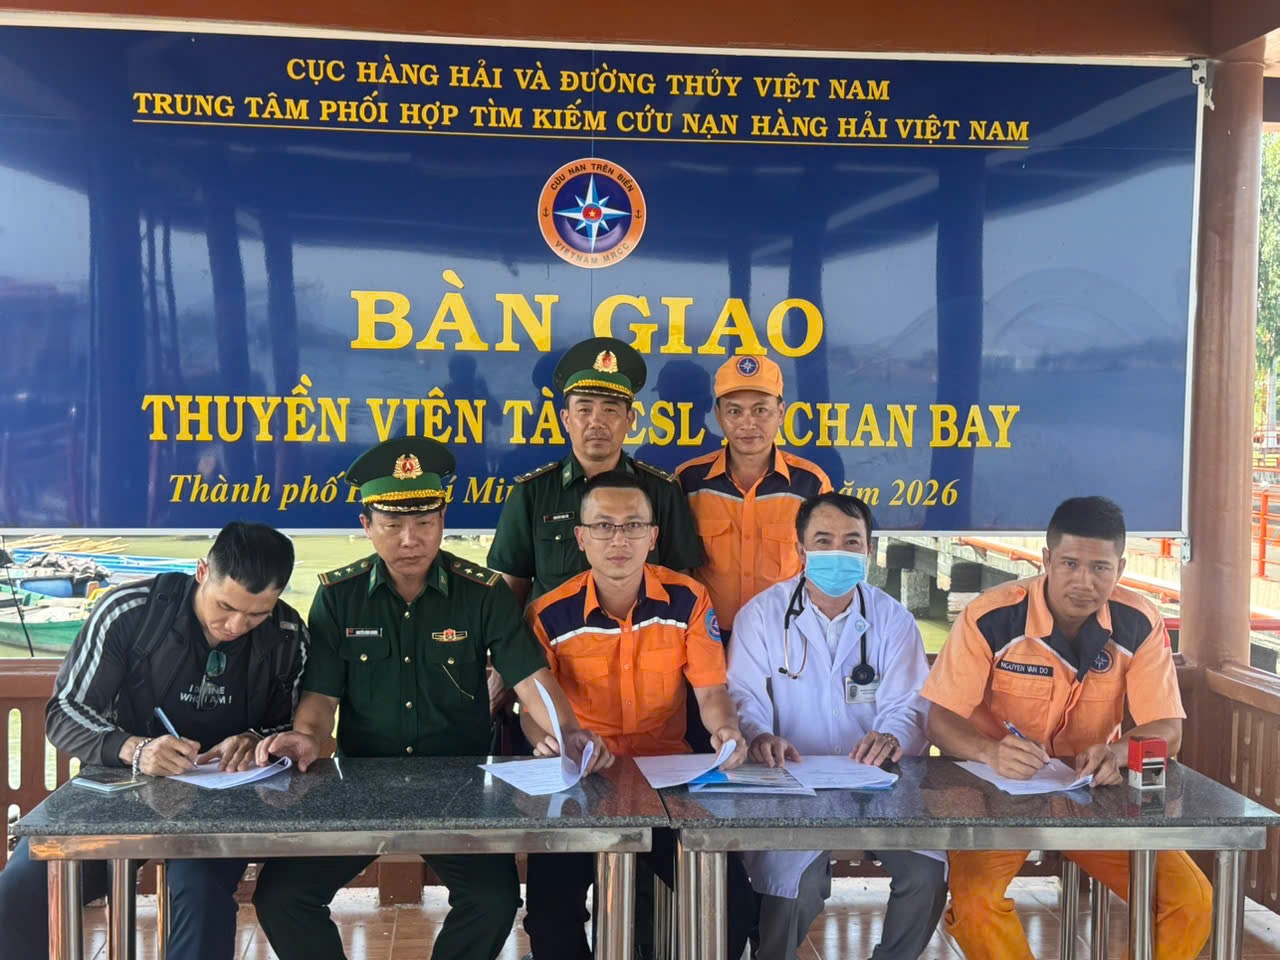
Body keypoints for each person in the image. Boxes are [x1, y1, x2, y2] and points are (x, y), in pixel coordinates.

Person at [251, 437, 609, 960]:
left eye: (424, 522)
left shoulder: (482, 593)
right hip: (362, 784)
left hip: (459, 786)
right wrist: (304, 738)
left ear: (443, 519)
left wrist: (568, 730)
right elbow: (321, 699)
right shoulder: (338, 596)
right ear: (366, 524)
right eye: (392, 524)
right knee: (281, 897)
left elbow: (529, 678)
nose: (410, 539)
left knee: (492, 900)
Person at [921, 496, 1212, 960]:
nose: (1084, 581)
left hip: (1095, 795)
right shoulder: (991, 616)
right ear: (1046, 559)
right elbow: (940, 720)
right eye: (1070, 564)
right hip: (993, 795)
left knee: (1190, 901)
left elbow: (1167, 729)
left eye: (1100, 568)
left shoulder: (1139, 622)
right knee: (975, 904)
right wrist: (990, 752)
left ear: (1120, 568)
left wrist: (1116, 753)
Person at [0, 522, 307, 960]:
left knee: (200, 895)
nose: (236, 625)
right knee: (21, 887)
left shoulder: (287, 635)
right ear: (202, 572)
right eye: (225, 606)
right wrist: (136, 749)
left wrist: (255, 740)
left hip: (222, 801)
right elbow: (65, 712)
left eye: (257, 614)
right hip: (118, 787)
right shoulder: (130, 611)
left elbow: (288, 731)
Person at [521, 470, 754, 960]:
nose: (618, 540)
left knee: (732, 904)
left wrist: (725, 728)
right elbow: (532, 709)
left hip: (667, 780)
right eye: (603, 526)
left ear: (653, 536)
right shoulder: (549, 613)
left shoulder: (688, 599)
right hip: (583, 781)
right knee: (549, 917)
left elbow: (711, 692)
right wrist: (549, 738)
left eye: (632, 526)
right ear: (581, 537)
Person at [727, 492, 945, 960]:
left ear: (869, 549)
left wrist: (891, 737)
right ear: (801, 548)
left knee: (926, 874)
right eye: (824, 541)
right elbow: (743, 697)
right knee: (794, 888)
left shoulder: (893, 619)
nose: (838, 553)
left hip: (877, 786)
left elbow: (910, 703)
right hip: (790, 783)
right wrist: (760, 735)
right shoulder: (761, 616)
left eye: (852, 542)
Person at [488, 336, 705, 608]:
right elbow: (512, 588)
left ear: (629, 420)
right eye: (584, 409)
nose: (596, 422)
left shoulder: (662, 492)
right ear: (566, 419)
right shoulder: (531, 493)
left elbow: (681, 585)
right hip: (553, 636)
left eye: (610, 410)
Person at [676, 355, 833, 641]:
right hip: (708, 639)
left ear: (781, 412)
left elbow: (824, 571)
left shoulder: (811, 483)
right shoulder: (689, 481)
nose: (748, 423)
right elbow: (678, 569)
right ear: (718, 415)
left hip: (784, 638)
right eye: (735, 411)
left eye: (761, 410)